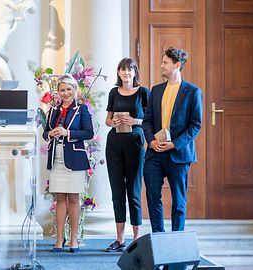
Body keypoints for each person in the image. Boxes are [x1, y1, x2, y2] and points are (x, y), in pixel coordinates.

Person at [143, 47, 203, 233]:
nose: (161, 65)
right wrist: (151, 141)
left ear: (177, 65)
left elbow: (195, 125)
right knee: (153, 197)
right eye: (162, 62)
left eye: (165, 62)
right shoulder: (156, 90)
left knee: (179, 200)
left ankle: (177, 241)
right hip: (154, 153)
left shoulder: (193, 92)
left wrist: (175, 143)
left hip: (178, 153)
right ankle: (159, 239)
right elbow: (147, 121)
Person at [42, 73, 94, 253]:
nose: (65, 93)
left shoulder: (82, 110)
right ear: (58, 92)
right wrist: (50, 134)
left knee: (73, 198)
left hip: (75, 159)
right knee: (59, 199)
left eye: (68, 89)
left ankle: (73, 239)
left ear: (75, 90)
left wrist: (67, 133)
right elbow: (45, 132)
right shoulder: (53, 111)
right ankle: (58, 239)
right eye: (62, 90)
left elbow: (88, 133)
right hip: (56, 159)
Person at [105, 58, 150, 252]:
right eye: (122, 70)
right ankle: (120, 238)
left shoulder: (143, 92)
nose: (126, 73)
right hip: (114, 143)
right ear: (118, 72)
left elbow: (149, 120)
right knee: (117, 191)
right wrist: (112, 122)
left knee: (133, 190)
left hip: (135, 143)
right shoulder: (114, 92)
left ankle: (136, 238)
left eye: (129, 70)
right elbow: (107, 119)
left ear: (134, 72)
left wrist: (134, 120)